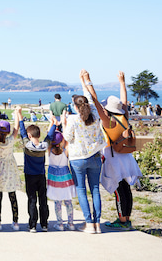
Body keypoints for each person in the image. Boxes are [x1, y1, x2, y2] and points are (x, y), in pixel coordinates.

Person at [61, 69, 106, 234]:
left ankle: (88, 224)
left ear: (75, 106)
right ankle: (98, 224)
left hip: (78, 159)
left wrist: (64, 123)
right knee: (95, 189)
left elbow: (67, 137)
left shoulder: (73, 119)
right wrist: (85, 80)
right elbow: (90, 96)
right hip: (95, 157)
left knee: (81, 190)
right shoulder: (94, 113)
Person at [98, 71, 142, 231]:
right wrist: (122, 82)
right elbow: (124, 101)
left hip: (113, 158)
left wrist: (88, 85)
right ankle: (127, 219)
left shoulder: (109, 122)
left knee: (118, 191)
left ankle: (122, 220)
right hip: (127, 157)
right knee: (126, 189)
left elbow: (97, 105)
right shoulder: (124, 117)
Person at [19, 105, 56, 233]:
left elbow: (22, 132)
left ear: (30, 136)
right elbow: (50, 136)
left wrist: (19, 116)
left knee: (32, 200)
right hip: (41, 175)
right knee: (43, 200)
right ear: (39, 134)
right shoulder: (44, 146)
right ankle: (44, 224)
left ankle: (33, 225)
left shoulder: (27, 145)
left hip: (30, 175)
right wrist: (53, 124)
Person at [0, 116, 21, 231]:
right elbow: (16, 129)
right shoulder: (11, 140)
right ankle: (15, 222)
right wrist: (17, 114)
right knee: (12, 196)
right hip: (10, 170)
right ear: (8, 132)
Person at [47, 128, 76, 231]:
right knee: (68, 201)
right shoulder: (66, 151)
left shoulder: (49, 150)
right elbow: (67, 139)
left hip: (54, 181)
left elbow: (48, 138)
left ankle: (60, 223)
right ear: (62, 141)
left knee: (57, 202)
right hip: (66, 179)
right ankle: (71, 223)